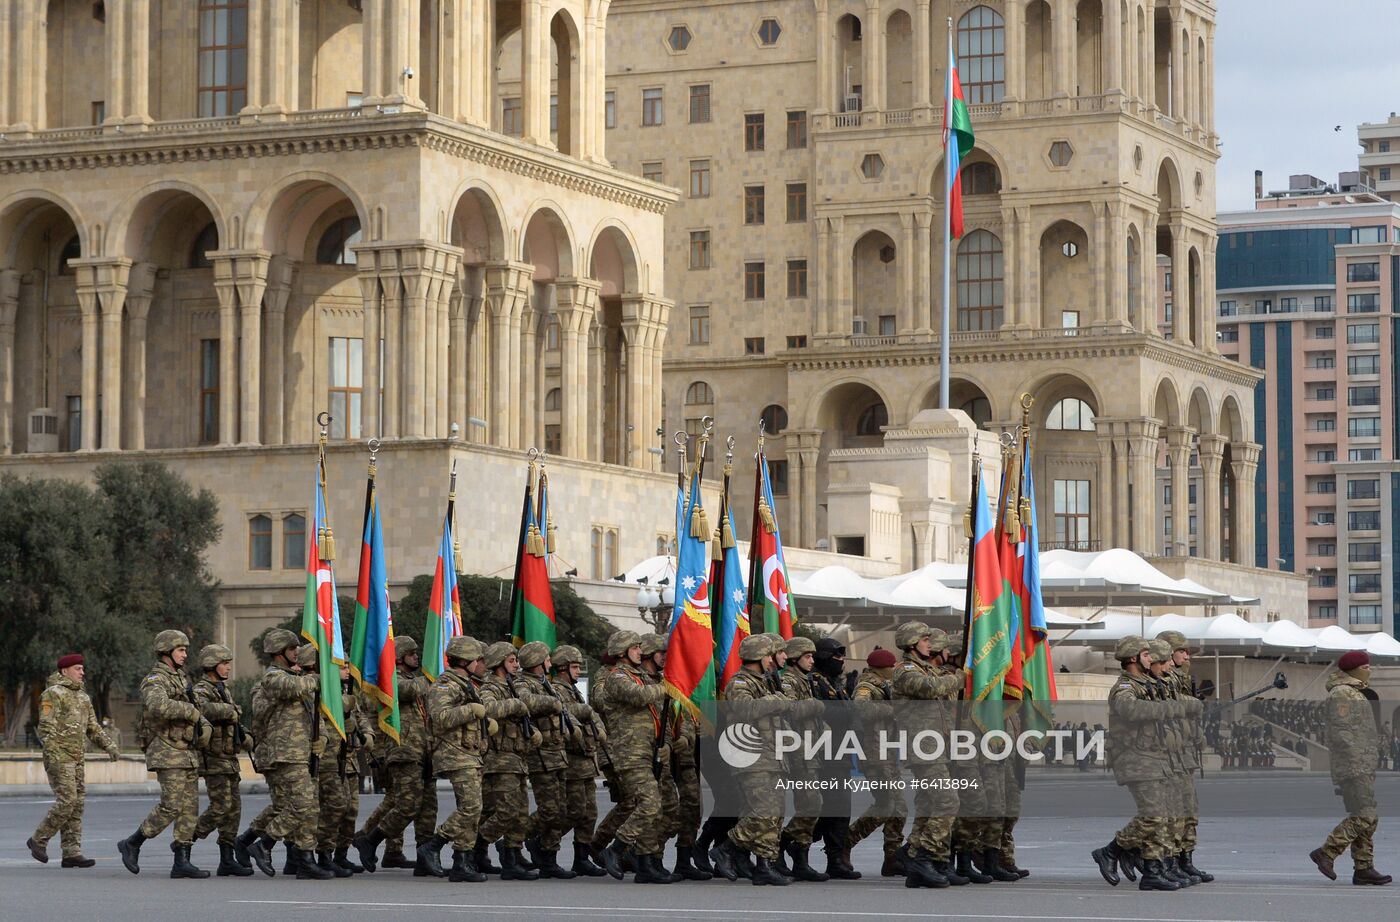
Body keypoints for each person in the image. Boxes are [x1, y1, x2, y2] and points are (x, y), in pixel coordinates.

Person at [1091, 635, 1196, 892]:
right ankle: (1111, 851)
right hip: (1136, 759)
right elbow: (1133, 711)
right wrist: (1172, 708)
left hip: (1155, 758)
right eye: (1146, 655)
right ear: (1133, 659)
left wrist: (1189, 705)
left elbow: (1173, 701)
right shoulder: (1125, 687)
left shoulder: (1149, 684)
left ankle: (1153, 869)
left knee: (1164, 815)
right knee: (1154, 814)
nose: (1152, 660)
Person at [119, 629, 211, 879]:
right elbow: (157, 705)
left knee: (189, 808)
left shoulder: (181, 678)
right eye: (180, 650)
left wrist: (203, 723)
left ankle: (182, 860)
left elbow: (196, 708)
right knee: (171, 806)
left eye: (185, 650)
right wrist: (190, 711)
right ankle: (133, 842)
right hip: (166, 750)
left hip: (185, 751)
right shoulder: (155, 679)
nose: (185, 655)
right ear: (166, 652)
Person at [235, 634, 329, 880]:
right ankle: (263, 844)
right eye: (292, 648)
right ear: (279, 652)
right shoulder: (273, 678)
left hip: (302, 753)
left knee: (301, 807)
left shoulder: (300, 679)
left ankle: (304, 858)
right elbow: (297, 687)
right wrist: (321, 677)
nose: (297, 652)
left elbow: (315, 716)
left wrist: (323, 739)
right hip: (284, 753)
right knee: (303, 804)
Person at [709, 634, 791, 886]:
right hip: (752, 756)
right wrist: (777, 700)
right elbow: (745, 709)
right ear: (757, 656)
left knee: (774, 813)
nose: (772, 660)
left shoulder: (765, 683)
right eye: (769, 655)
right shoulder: (740, 682)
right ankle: (725, 848)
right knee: (764, 812)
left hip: (772, 755)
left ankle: (764, 864)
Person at [475, 640, 557, 880]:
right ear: (498, 663)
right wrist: (515, 704)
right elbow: (487, 709)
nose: (516, 664)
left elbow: (522, 714)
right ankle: (476, 844)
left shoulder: (510, 686)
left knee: (521, 812)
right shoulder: (490, 686)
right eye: (511, 661)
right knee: (507, 810)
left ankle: (512, 858)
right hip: (499, 758)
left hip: (517, 756)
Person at [27, 653, 119, 868]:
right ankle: (38, 839)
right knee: (67, 801)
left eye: (82, 668)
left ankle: (71, 853)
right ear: (64, 671)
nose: (82, 672)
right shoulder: (53, 694)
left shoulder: (83, 697)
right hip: (59, 757)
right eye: (77, 668)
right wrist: (54, 753)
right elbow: (46, 727)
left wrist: (109, 745)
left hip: (77, 758)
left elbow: (92, 728)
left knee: (77, 805)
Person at [597, 630, 674, 884]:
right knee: (649, 804)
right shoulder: (616, 677)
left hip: (649, 751)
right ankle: (615, 849)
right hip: (629, 754)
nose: (640, 651)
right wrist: (668, 685)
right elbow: (639, 696)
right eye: (635, 648)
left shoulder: (643, 677)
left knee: (655, 808)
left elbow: (662, 710)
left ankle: (646, 863)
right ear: (622, 652)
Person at [354, 636, 435, 873]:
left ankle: (425, 856)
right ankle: (369, 839)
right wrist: (434, 674)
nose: (417, 657)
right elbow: (407, 691)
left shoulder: (416, 680)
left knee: (428, 807)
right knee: (406, 803)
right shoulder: (389, 681)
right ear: (398, 658)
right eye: (412, 654)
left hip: (423, 751)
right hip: (403, 750)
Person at [891, 622, 963, 889]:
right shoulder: (905, 672)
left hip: (938, 747)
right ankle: (924, 858)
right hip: (924, 749)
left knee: (927, 808)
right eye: (924, 639)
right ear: (911, 644)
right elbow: (931, 688)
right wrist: (961, 677)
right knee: (947, 801)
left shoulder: (929, 669)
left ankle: (928, 862)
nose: (929, 644)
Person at [416, 635, 493, 883]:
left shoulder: (465, 684)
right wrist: (470, 710)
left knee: (472, 809)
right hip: (454, 753)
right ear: (466, 660)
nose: (480, 664)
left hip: (470, 752)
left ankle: (462, 861)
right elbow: (439, 717)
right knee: (471, 807)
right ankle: (433, 845)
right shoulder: (445, 685)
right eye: (477, 659)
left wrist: (483, 722)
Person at [1311, 651, 1391, 885]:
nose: (1370, 670)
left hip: (1363, 764)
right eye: (1366, 666)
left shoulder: (1355, 692)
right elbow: (1341, 730)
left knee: (1368, 817)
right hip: (1353, 765)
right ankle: (1326, 852)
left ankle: (1364, 867)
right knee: (1365, 815)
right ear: (1354, 669)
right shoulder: (1342, 693)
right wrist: (1356, 760)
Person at [191, 644, 252, 877]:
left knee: (234, 809)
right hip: (213, 758)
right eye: (224, 663)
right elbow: (203, 709)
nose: (228, 667)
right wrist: (231, 710)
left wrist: (245, 736)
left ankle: (227, 858)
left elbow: (233, 719)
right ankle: (186, 840)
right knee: (221, 807)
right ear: (211, 665)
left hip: (229, 758)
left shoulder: (223, 689)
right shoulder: (201, 689)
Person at [517, 640, 576, 879]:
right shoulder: (523, 683)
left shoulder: (544, 684)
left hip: (556, 753)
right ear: (536, 662)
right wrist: (552, 703)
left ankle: (549, 857)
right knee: (550, 811)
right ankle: (513, 842)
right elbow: (525, 703)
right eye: (547, 660)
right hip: (541, 757)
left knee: (560, 810)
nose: (550, 664)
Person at [549, 644, 609, 877]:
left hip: (585, 758)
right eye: (574, 667)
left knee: (589, 812)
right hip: (572, 758)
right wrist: (582, 710)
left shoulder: (573, 690)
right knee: (574, 810)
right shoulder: (556, 689)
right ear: (562, 668)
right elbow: (563, 712)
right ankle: (544, 844)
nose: (577, 671)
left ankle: (581, 857)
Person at [848, 648, 906, 877]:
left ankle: (892, 857)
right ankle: (846, 841)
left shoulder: (884, 685)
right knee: (886, 805)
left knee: (899, 808)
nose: (894, 670)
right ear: (882, 668)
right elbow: (860, 707)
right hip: (874, 755)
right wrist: (891, 709)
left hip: (887, 754)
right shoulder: (867, 686)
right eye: (892, 667)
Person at [775, 635, 829, 882]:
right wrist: (816, 706)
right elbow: (790, 709)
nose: (811, 660)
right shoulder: (787, 680)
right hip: (797, 752)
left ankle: (800, 857)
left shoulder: (805, 680)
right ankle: (782, 843)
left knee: (811, 805)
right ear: (795, 658)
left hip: (810, 750)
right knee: (811, 803)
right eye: (807, 656)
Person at [808, 636, 860, 880]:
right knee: (825, 808)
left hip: (840, 752)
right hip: (822, 753)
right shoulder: (814, 682)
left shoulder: (834, 683)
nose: (840, 661)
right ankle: (794, 848)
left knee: (841, 809)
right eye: (836, 656)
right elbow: (830, 715)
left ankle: (835, 859)